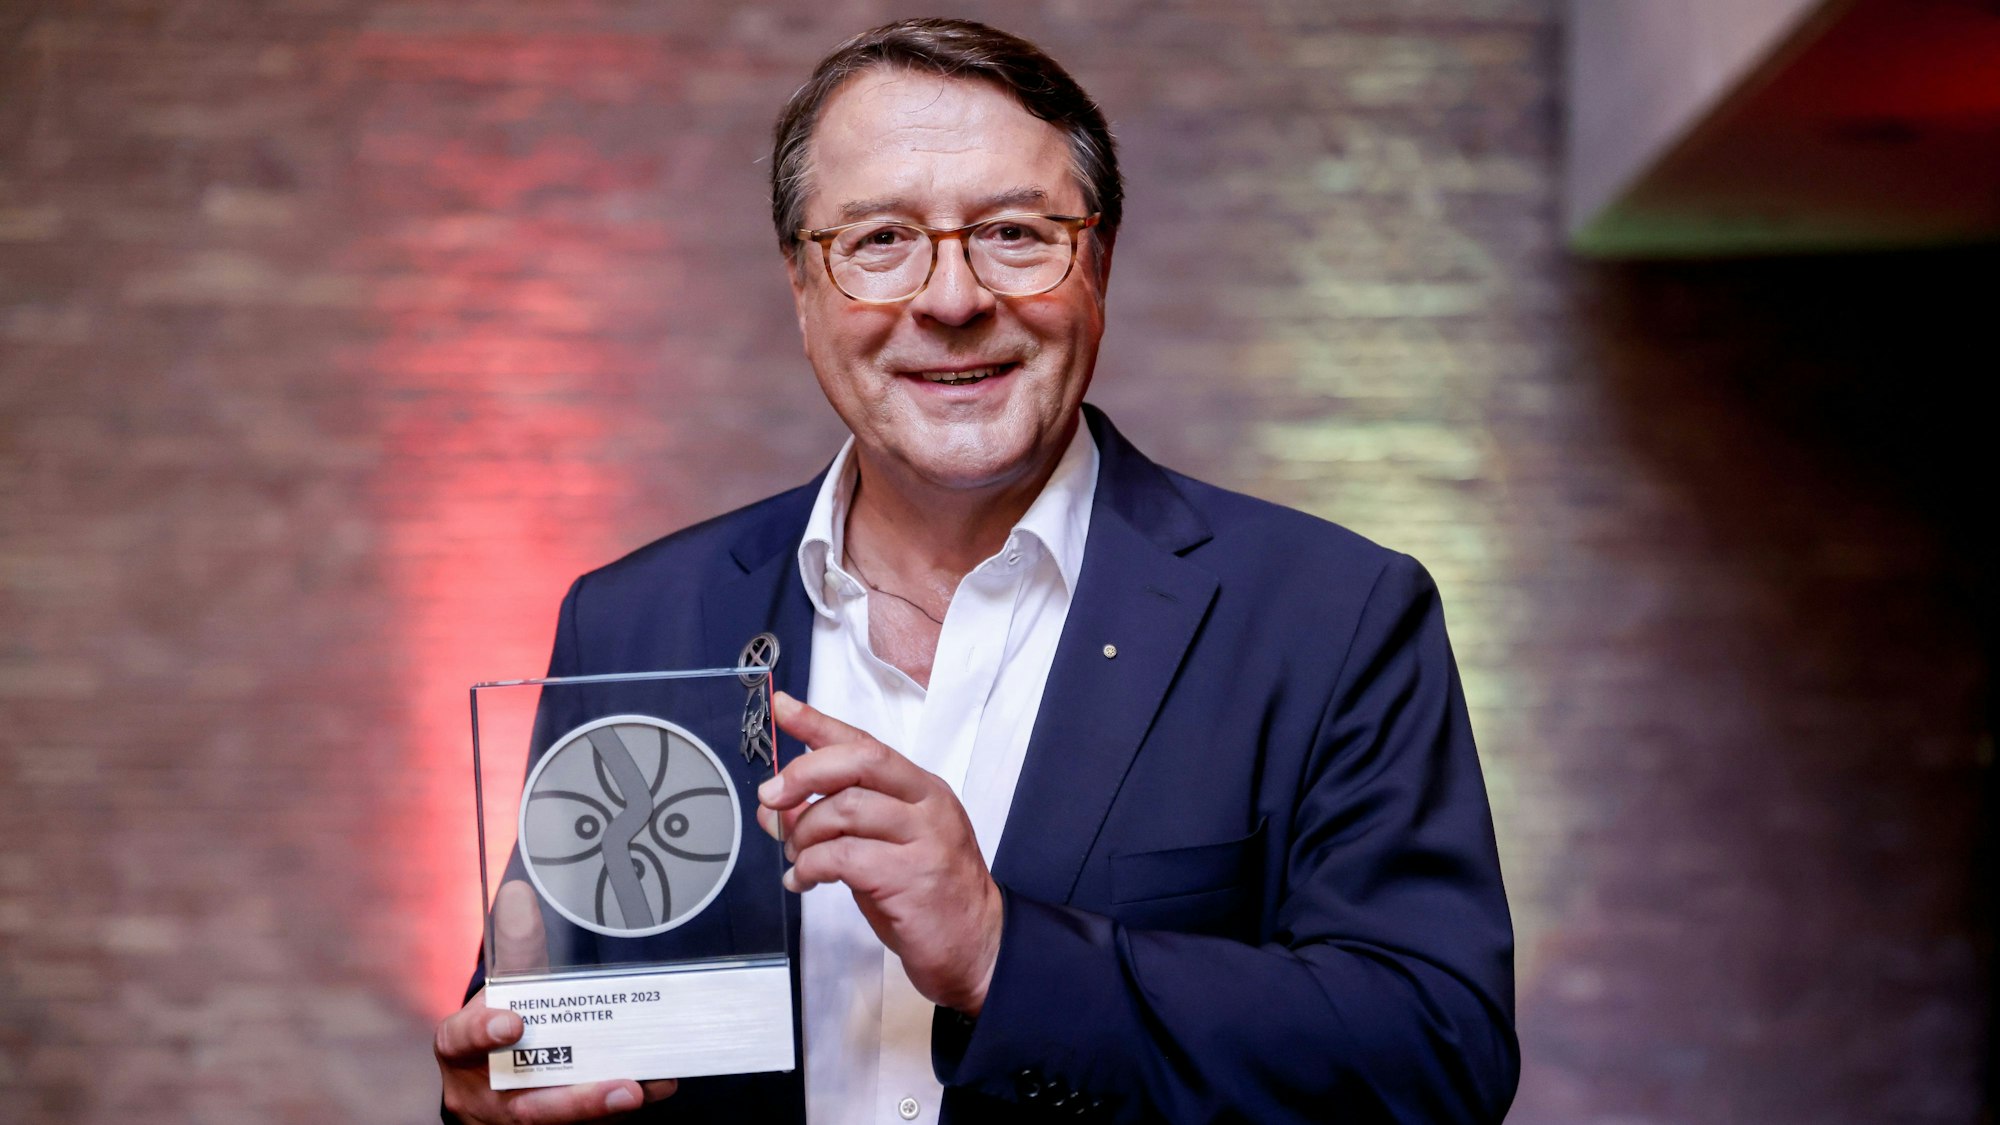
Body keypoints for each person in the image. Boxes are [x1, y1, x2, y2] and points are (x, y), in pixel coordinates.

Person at [434, 18, 1517, 1125]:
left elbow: (1437, 1053)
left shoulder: (1329, 616)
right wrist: (497, 1097)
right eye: (879, 240)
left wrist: (1005, 954)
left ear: (1097, 263)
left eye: (1013, 233)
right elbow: (556, 1020)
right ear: (801, 287)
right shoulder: (635, 619)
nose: (951, 299)